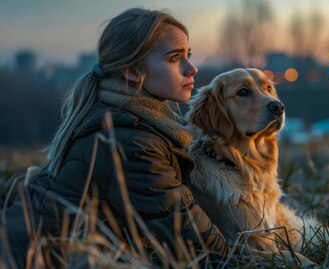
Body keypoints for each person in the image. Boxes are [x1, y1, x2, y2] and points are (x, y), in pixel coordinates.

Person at [0, 8, 229, 268]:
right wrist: (251, 255)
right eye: (175, 58)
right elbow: (203, 249)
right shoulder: (133, 144)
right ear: (132, 71)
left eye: (188, 55)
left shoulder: (135, 119)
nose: (192, 68)